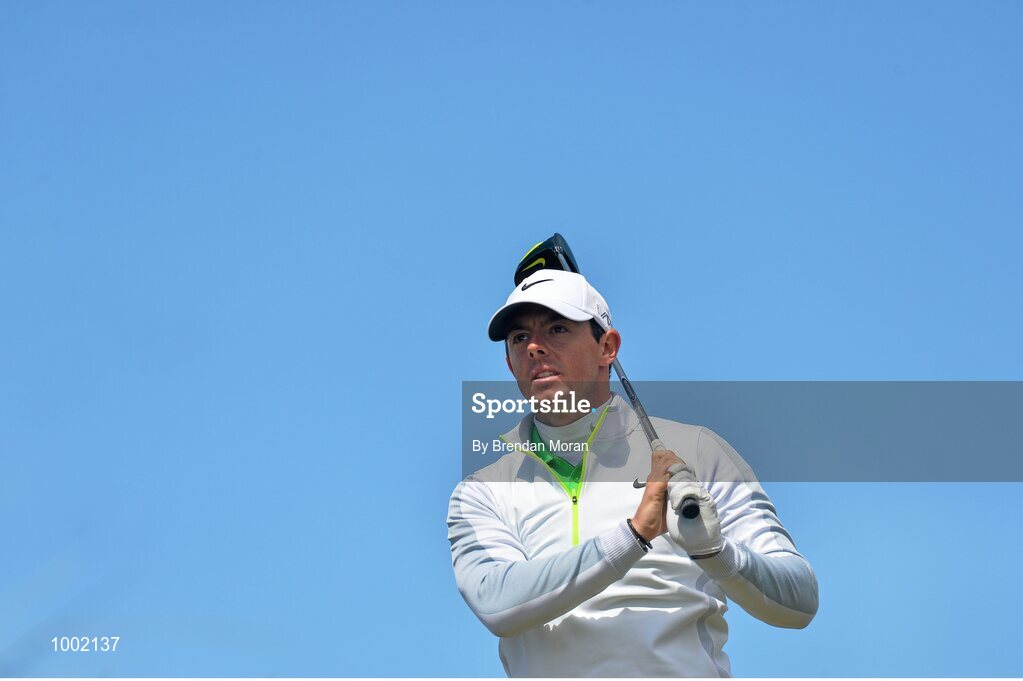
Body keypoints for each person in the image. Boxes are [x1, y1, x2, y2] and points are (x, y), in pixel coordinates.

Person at [447, 269, 818, 677]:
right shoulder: (481, 491)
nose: (534, 347)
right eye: (520, 338)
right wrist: (634, 536)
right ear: (509, 363)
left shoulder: (696, 450)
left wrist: (716, 552)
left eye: (557, 329)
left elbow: (799, 599)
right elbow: (497, 603)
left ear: (607, 347)